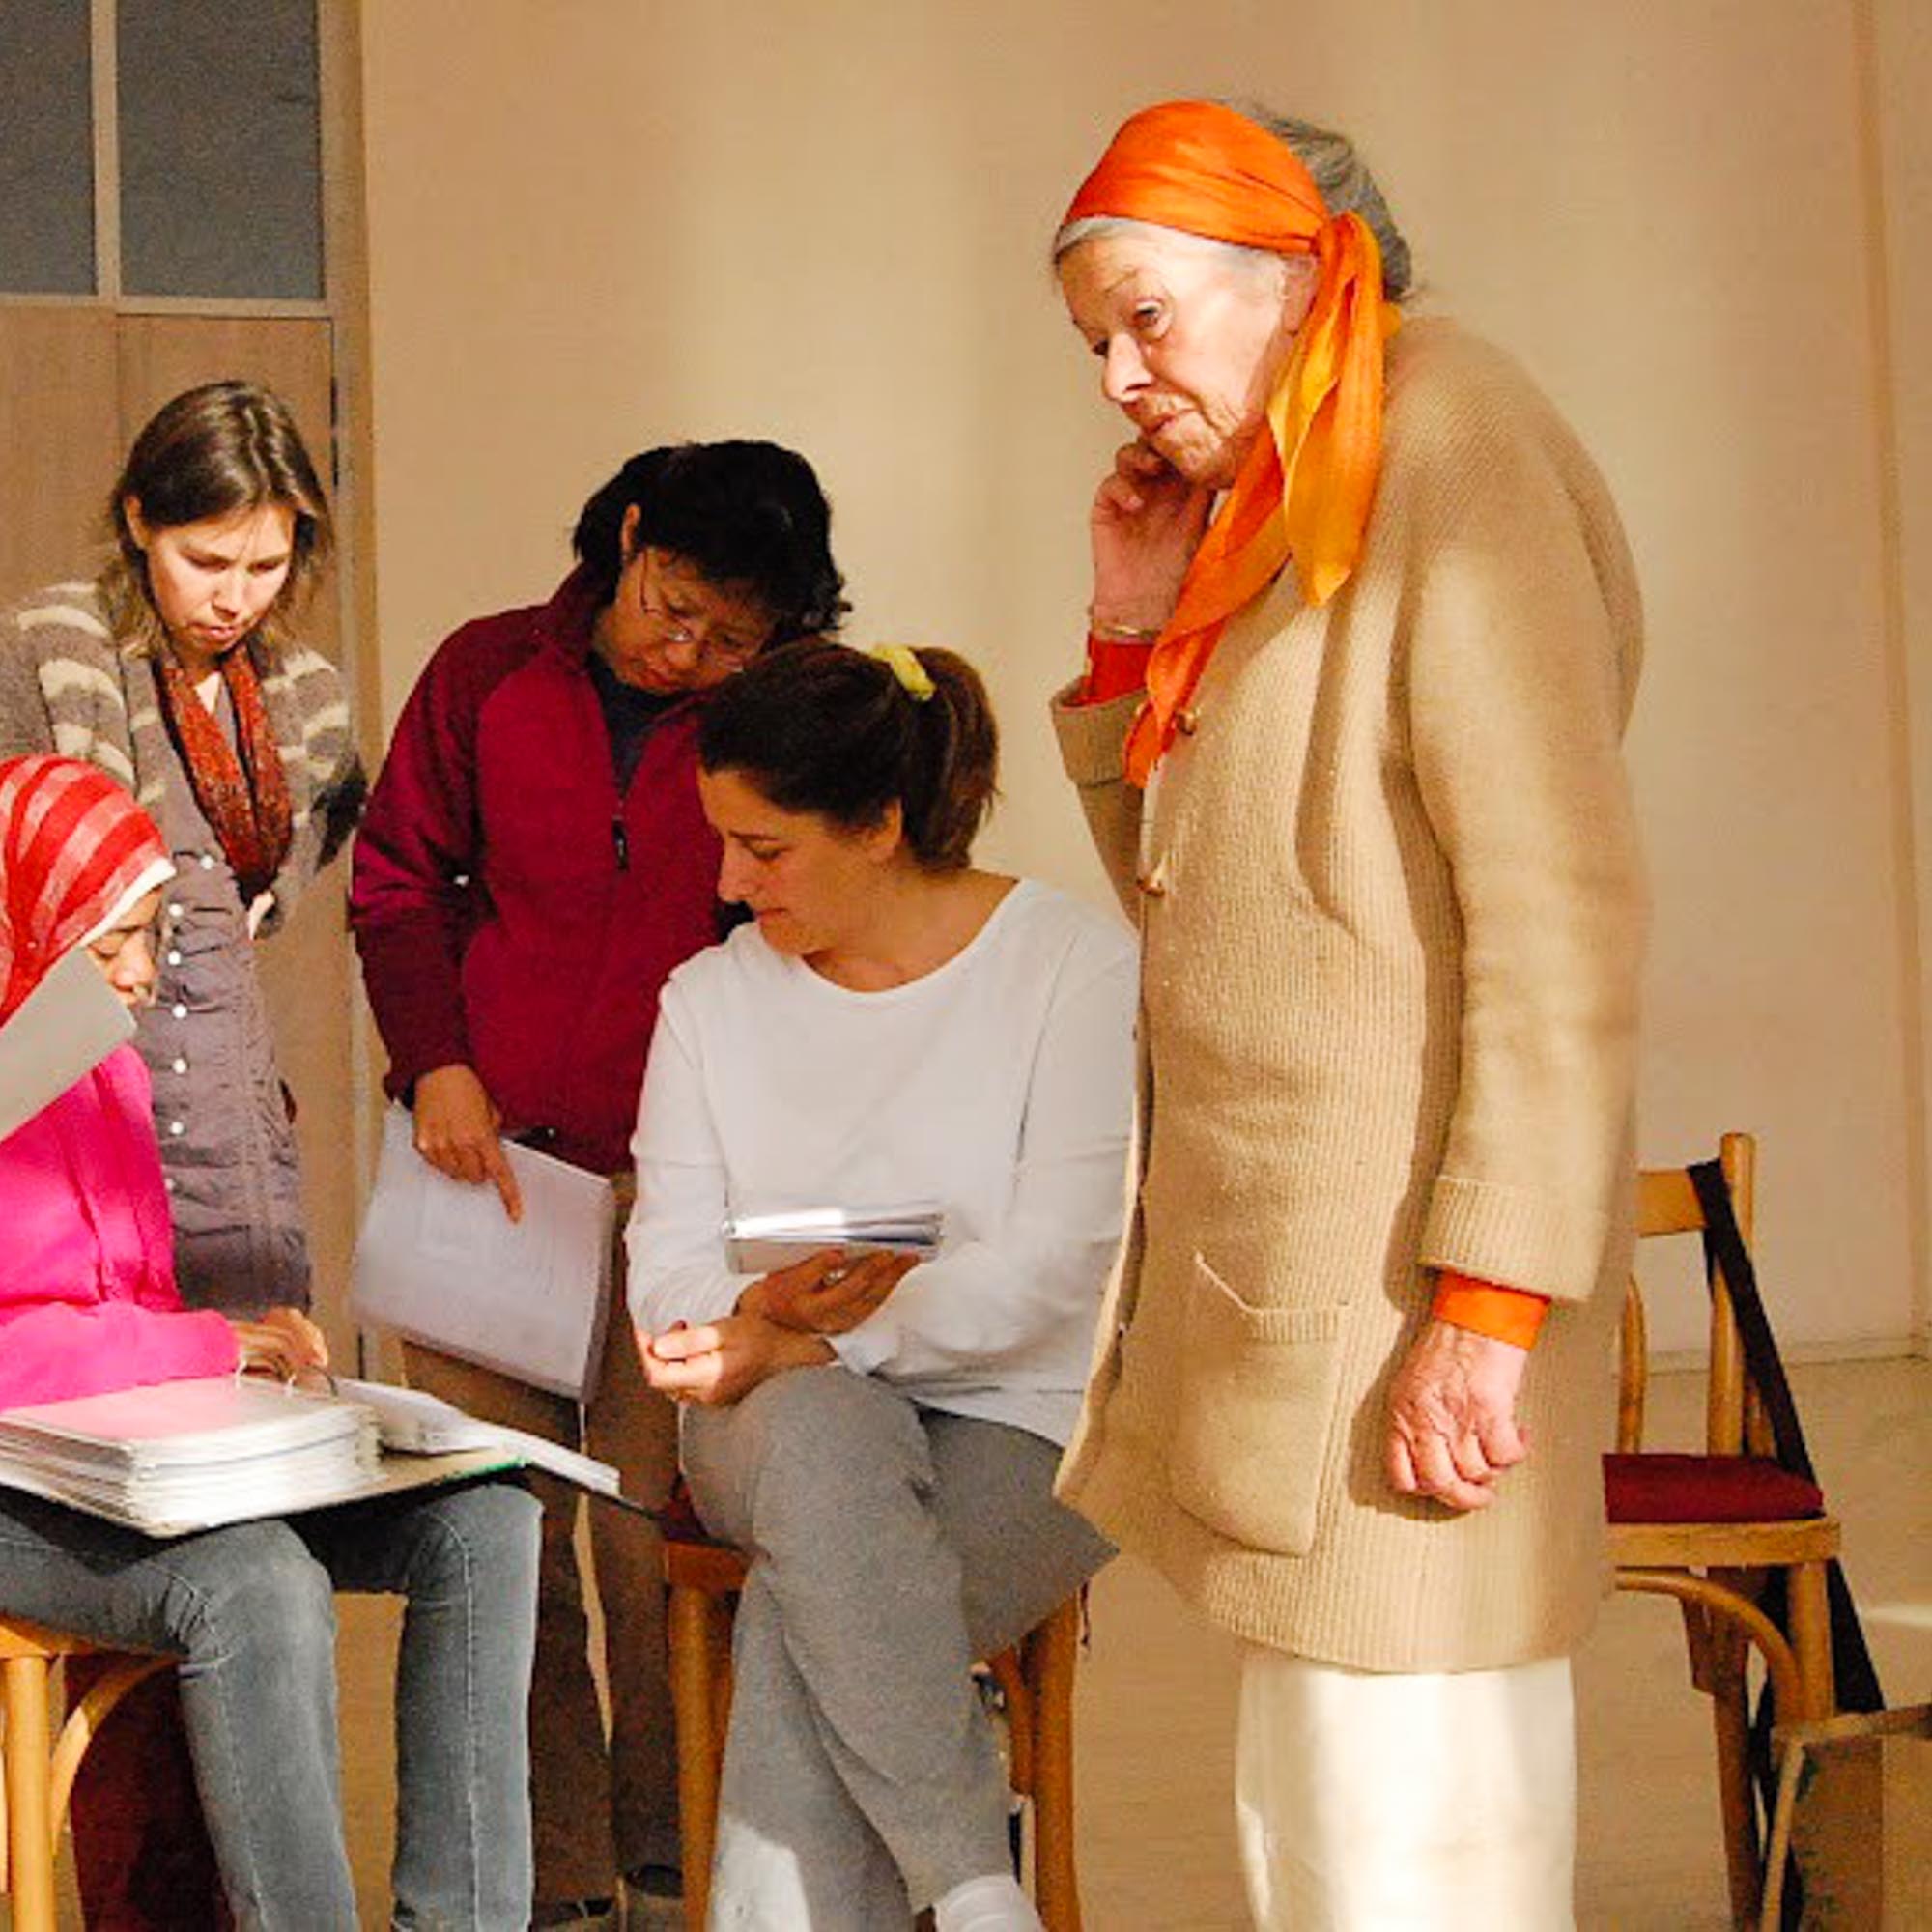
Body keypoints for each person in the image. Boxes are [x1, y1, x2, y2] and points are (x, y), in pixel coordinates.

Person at [1046, 100, 1646, 1925]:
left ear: (1306, 271)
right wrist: (1135, 632)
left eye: (1148, 317)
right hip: (1305, 1292)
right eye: (1096, 343)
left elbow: (1558, 914)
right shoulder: (1286, 496)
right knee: (1323, 1836)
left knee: (1416, 1846)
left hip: (1411, 1308)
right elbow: (1191, 887)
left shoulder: (1449, 439)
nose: (1121, 378)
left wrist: (1491, 1301)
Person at [350, 440, 846, 1926]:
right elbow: (397, 878)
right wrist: (436, 1061)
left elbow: (805, 938)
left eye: (730, 639)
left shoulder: (773, 727)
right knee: (503, 1544)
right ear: (628, 538)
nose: (685, 655)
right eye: (672, 608)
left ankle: (672, 1860)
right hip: (489, 1175)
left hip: (675, 1201)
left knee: (651, 1544)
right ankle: (552, 1875)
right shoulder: (487, 673)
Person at [628, 640, 1131, 1932]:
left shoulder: (1071, 967)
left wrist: (825, 1342)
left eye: (765, 848)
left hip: (1029, 1420)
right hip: (771, 1413)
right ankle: (972, 1885)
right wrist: (760, 1327)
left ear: (880, 825)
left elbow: (1059, 1264)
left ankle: (966, 1895)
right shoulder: (706, 1002)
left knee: (806, 1629)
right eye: (722, 842)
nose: (728, 882)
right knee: (817, 1449)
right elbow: (669, 1265)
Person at [0, 753, 541, 1932]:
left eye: (149, 937)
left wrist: (249, 1357)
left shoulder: (107, 1070)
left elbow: (134, 1301)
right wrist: (200, 1348)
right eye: (107, 942)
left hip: (145, 1468)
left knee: (487, 1519)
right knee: (258, 1582)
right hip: (25, 1496)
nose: (138, 973)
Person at [0, 379, 363, 1927]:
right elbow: (42, 886)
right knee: (141, 1576)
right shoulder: (53, 651)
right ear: (140, 521)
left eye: (268, 565)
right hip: (81, 1122)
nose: (236, 596)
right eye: (207, 559)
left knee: (257, 1540)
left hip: (227, 1139)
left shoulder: (306, 700)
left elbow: (261, 915)